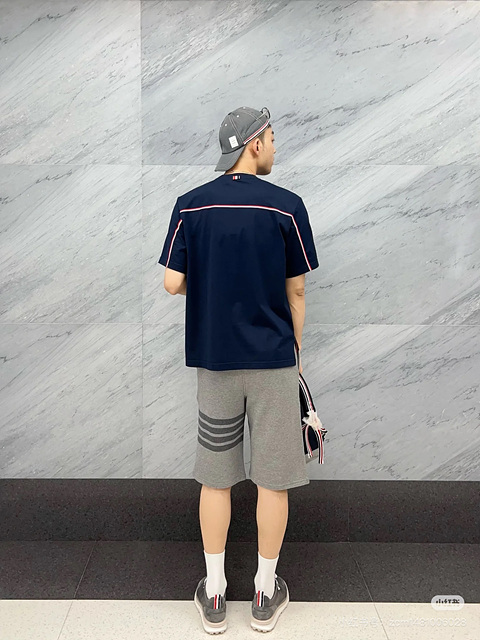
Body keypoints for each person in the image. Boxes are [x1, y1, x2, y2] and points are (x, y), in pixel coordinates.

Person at [158, 106, 319, 634]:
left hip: (216, 363)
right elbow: (297, 290)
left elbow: (172, 283)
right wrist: (294, 349)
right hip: (272, 362)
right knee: (274, 481)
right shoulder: (287, 207)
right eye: (270, 137)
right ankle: (265, 593)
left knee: (216, 478)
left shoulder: (191, 205)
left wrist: (210, 279)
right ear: (253, 144)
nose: (274, 145)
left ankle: (214, 592)